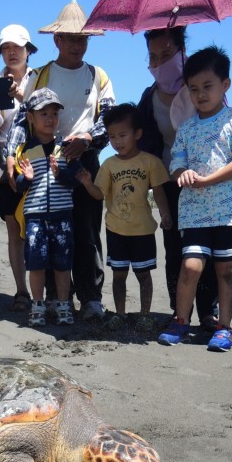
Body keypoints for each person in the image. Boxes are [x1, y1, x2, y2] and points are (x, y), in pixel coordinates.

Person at [5, 0, 115, 320]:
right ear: (58, 40)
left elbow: (108, 120)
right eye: (71, 38)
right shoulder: (38, 75)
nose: (78, 44)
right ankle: (56, 298)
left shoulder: (99, 76)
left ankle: (91, 297)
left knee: (87, 231)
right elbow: (21, 122)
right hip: (44, 160)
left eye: (83, 38)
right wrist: (12, 157)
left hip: (85, 161)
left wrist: (88, 140)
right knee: (51, 229)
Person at [157, 46, 232, 352]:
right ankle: (180, 322)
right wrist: (181, 174)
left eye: (207, 86)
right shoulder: (186, 128)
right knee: (189, 266)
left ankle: (225, 328)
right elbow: (176, 162)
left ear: (225, 85)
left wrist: (207, 179)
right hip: (194, 212)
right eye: (194, 89)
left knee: (226, 269)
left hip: (229, 212)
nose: (200, 94)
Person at [137, 26, 219, 331]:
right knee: (174, 247)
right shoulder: (150, 97)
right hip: (170, 183)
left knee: (204, 248)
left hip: (206, 182)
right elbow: (145, 141)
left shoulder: (201, 88)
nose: (160, 62)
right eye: (154, 57)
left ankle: (208, 312)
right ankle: (178, 310)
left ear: (182, 51)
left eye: (167, 54)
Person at [77, 103, 172, 329]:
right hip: (116, 230)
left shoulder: (151, 162)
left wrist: (166, 214)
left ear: (138, 134)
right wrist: (88, 183)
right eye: (111, 136)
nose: (117, 141)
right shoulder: (109, 165)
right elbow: (99, 194)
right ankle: (120, 313)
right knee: (118, 275)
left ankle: (145, 315)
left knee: (143, 275)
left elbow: (159, 191)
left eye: (122, 135)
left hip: (143, 231)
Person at [0, 24, 37, 312]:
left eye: (17, 47)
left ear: (28, 49)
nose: (11, 53)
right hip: (3, 159)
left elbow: (44, 114)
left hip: (34, 157)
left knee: (39, 224)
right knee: (13, 226)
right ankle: (22, 290)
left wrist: (19, 95)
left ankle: (46, 289)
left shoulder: (39, 78)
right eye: (5, 48)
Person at [14, 89, 78, 327]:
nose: (50, 119)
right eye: (43, 114)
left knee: (63, 264)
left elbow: (75, 181)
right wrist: (26, 178)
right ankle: (37, 305)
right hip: (35, 217)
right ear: (31, 117)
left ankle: (63, 305)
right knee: (36, 264)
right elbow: (18, 187)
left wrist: (61, 173)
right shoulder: (26, 150)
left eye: (54, 113)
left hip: (63, 216)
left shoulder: (66, 148)